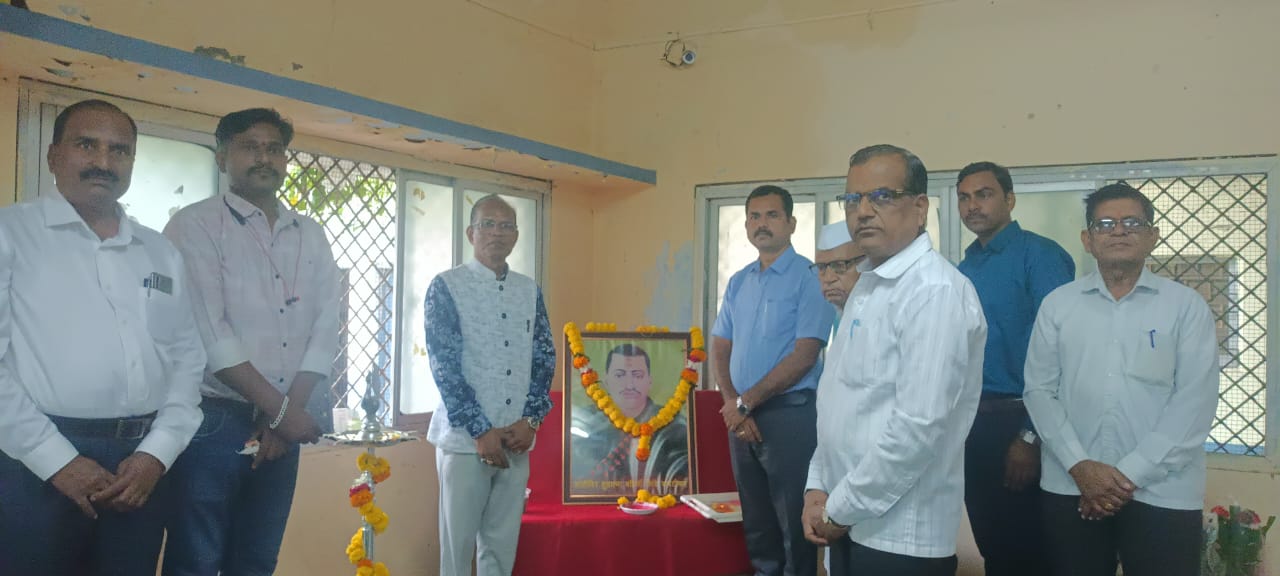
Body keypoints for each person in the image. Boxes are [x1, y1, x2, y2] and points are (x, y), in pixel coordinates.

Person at [0, 99, 206, 574]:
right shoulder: (12, 233)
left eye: (120, 150)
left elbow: (186, 360)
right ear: (53, 156)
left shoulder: (159, 252)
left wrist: (157, 453)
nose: (104, 162)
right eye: (86, 145)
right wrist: (57, 461)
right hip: (37, 461)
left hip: (141, 468)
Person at [161, 107, 340, 575]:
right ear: (222, 157)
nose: (265, 157)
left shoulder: (312, 235)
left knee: (258, 559)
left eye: (275, 148)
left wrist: (284, 417)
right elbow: (211, 336)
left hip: (286, 420)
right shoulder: (194, 225)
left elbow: (325, 330)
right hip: (213, 422)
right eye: (250, 146)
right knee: (197, 559)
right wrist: (283, 415)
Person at [802, 144, 985, 576]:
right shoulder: (866, 287)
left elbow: (917, 429)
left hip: (901, 536)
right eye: (853, 199)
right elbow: (836, 403)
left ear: (920, 207)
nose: (863, 211)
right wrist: (817, 487)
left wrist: (839, 507)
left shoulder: (934, 292)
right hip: (845, 518)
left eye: (881, 196)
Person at [1024, 183, 1219, 576]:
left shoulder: (1185, 307)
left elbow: (1194, 403)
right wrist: (1080, 466)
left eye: (1132, 222)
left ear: (1152, 236)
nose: (1118, 231)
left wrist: (1124, 478)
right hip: (1070, 484)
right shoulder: (1058, 305)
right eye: (1105, 223)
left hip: (1163, 491)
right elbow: (1039, 391)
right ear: (1088, 239)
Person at [954, 161, 1074, 576]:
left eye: (983, 194)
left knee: (1032, 550)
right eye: (964, 197)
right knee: (995, 546)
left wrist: (1030, 435)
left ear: (1009, 199)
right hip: (974, 427)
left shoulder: (1039, 256)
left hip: (1023, 423)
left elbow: (1062, 353)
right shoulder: (964, 269)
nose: (972, 206)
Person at [425, 194, 555, 576]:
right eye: (488, 224)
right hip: (466, 442)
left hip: (516, 438)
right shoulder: (447, 287)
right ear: (470, 233)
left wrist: (531, 421)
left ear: (516, 236)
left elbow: (543, 359)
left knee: (500, 547)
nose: (497, 233)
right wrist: (481, 431)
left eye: (507, 226)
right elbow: (443, 365)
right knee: (457, 549)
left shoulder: (528, 290)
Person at [712, 184, 833, 576]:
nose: (761, 224)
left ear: (792, 223)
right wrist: (734, 404)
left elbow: (804, 355)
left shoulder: (810, 277)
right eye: (754, 216)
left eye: (772, 215)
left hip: (789, 416)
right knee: (758, 524)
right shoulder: (739, 281)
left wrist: (745, 402)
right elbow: (719, 345)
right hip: (740, 418)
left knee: (792, 524)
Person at [571, 343, 689, 495]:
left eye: (637, 375)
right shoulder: (587, 422)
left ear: (649, 381)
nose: (629, 385)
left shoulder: (673, 427)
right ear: (607, 381)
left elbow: (680, 476)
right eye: (620, 375)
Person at [813, 220, 865, 316]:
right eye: (821, 267)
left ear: (865, 264)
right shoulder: (839, 313)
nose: (828, 279)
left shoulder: (882, 311)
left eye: (839, 265)